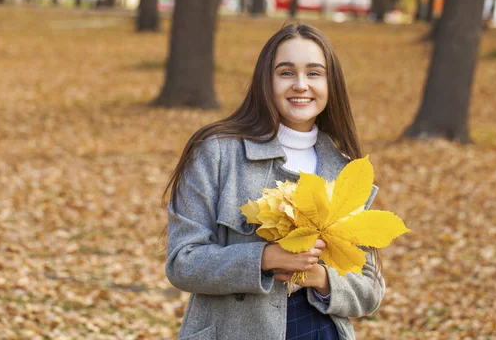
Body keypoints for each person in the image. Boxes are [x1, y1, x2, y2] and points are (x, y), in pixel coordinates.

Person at [165, 23, 385, 340]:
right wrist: (265, 259)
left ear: (330, 83)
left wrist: (319, 277)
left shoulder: (345, 171)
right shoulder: (217, 152)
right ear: (266, 81)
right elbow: (182, 263)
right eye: (285, 72)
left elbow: (370, 287)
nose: (300, 85)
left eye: (314, 73)